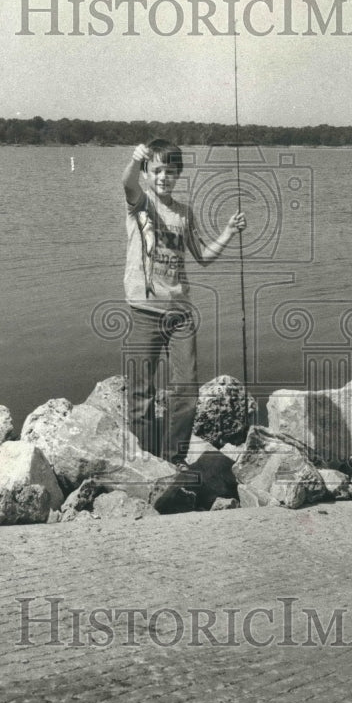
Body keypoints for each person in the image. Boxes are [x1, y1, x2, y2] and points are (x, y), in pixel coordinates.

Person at [121, 139, 246, 469]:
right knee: (140, 394)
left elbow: (202, 256)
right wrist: (135, 161)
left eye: (170, 171)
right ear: (148, 174)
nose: (163, 177)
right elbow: (127, 183)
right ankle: (145, 460)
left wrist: (229, 232)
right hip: (144, 310)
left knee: (187, 391)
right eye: (157, 170)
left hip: (180, 315)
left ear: (178, 175)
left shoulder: (184, 213)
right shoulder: (139, 203)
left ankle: (174, 458)